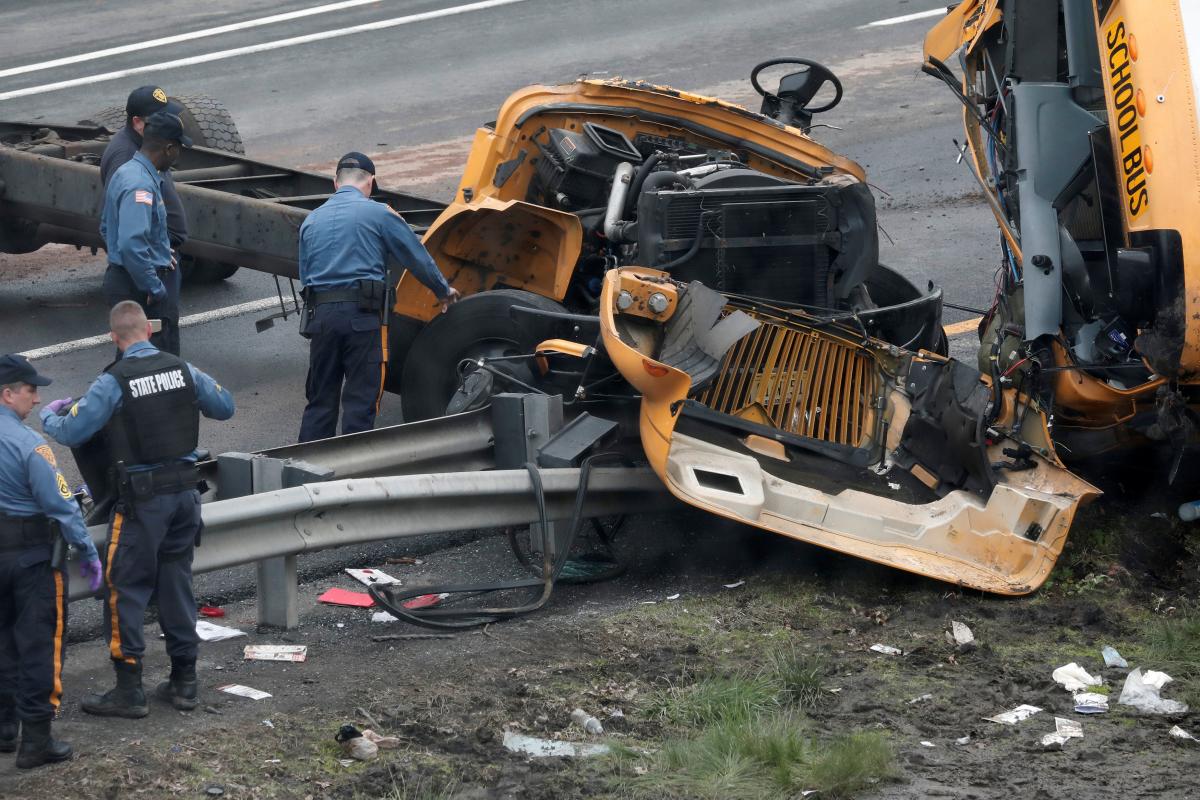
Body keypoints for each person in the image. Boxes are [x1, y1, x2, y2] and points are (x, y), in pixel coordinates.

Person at [41, 302, 234, 719]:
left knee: (125, 589)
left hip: (144, 504)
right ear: (149, 329)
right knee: (176, 584)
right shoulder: (183, 369)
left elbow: (73, 429)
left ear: (114, 337)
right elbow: (225, 406)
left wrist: (49, 416)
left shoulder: (114, 381)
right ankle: (185, 681)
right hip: (186, 498)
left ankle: (129, 688)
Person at [297, 151, 460, 442]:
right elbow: (415, 256)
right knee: (360, 401)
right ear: (370, 182)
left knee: (320, 401)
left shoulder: (311, 221)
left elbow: (306, 274)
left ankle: (305, 474)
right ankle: (354, 478)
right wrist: (442, 290)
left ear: (336, 183)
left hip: (320, 320)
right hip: (362, 319)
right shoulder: (380, 213)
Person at [0, 354, 102, 769]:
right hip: (31, 559)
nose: (37, 398)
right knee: (39, 644)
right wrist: (90, 554)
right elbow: (63, 507)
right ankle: (37, 740)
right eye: (30, 390)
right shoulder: (30, 445)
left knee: (2, 642)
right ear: (7, 394)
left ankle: (5, 728)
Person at [99, 86, 189, 356]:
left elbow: (108, 223)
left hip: (138, 273)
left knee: (136, 362)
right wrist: (153, 284)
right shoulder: (133, 170)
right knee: (156, 361)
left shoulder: (138, 164)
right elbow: (128, 240)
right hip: (140, 281)